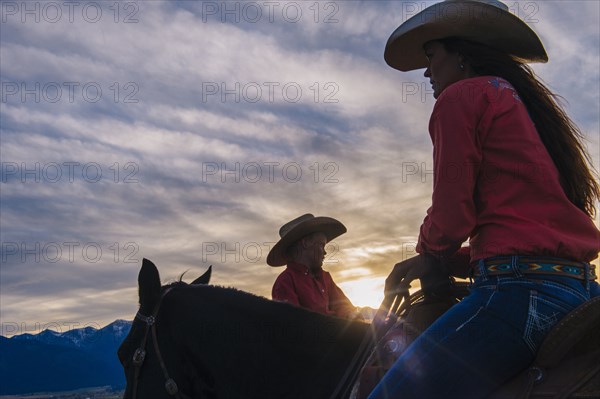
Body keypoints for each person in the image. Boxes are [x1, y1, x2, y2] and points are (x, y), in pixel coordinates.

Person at [371, 1, 600, 398]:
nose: (427, 70)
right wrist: (459, 260)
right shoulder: (520, 103)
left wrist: (430, 251)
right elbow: (522, 225)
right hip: (580, 290)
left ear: (462, 52)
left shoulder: (462, 96)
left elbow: (450, 219)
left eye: (432, 54)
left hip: (521, 293)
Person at [267, 213, 358, 319]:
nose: (324, 252)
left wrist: (350, 314)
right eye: (321, 245)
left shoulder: (325, 278)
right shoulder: (285, 281)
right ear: (305, 243)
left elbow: (342, 305)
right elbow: (293, 325)